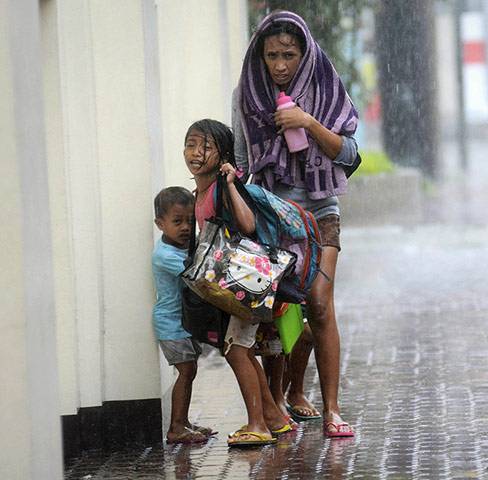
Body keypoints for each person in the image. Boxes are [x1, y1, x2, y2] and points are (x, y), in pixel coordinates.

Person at [233, 10, 359, 438]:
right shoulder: (248, 94)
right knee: (279, 313)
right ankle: (280, 399)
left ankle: (333, 410)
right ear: (261, 55)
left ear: (304, 53)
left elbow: (350, 156)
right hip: (273, 219)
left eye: (289, 54)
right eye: (272, 55)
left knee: (320, 305)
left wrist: (307, 122)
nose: (281, 64)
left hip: (321, 214)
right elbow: (243, 164)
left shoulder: (325, 85)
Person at [184, 118, 295, 447]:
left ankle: (257, 424)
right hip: (232, 287)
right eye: (191, 144)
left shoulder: (222, 186)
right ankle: (273, 418)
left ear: (223, 155)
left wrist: (231, 184)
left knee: (237, 352)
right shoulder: (199, 191)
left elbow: (247, 225)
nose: (196, 152)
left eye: (206, 147)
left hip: (246, 283)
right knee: (240, 350)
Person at [152, 186, 217, 444]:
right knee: (187, 371)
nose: (186, 228)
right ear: (160, 223)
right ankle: (176, 427)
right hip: (171, 324)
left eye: (191, 220)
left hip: (184, 322)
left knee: (190, 370)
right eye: (177, 221)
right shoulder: (164, 255)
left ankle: (184, 422)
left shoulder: (181, 247)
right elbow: (196, 272)